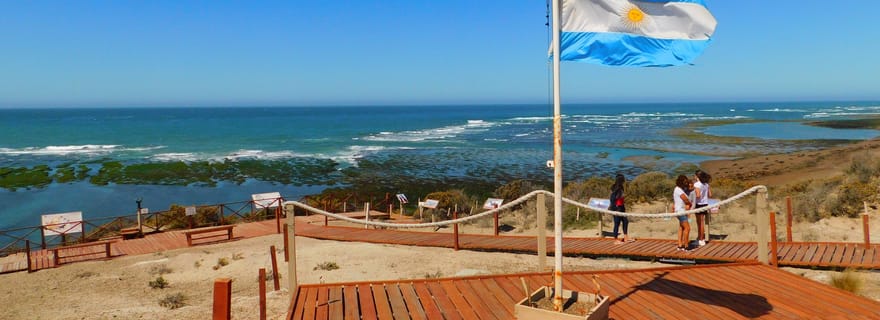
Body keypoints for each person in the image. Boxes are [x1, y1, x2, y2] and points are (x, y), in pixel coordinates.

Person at [608, 173, 631, 244]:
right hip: (617, 207)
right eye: (623, 178)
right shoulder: (616, 187)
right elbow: (613, 198)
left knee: (625, 221)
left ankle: (626, 237)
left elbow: (621, 197)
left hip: (621, 206)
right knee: (617, 223)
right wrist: (613, 207)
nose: (624, 180)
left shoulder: (621, 187)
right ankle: (615, 239)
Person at [673, 174, 693, 251]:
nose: (686, 183)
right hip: (680, 211)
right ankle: (686, 245)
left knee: (681, 227)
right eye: (685, 182)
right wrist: (690, 204)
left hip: (680, 210)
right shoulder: (678, 189)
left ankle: (680, 245)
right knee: (687, 228)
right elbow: (685, 199)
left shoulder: (680, 189)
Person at [693, 170, 712, 246]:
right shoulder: (706, 184)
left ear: (697, 176)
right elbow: (710, 195)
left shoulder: (697, 184)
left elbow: (697, 195)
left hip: (698, 204)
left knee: (699, 222)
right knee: (701, 222)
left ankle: (701, 239)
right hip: (705, 204)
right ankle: (700, 238)